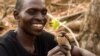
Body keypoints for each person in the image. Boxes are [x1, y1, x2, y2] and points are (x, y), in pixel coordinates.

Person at [0, 0, 96, 56]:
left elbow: (78, 51)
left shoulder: (45, 39)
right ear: (16, 15)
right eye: (32, 11)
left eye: (44, 12)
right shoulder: (4, 48)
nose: (40, 17)